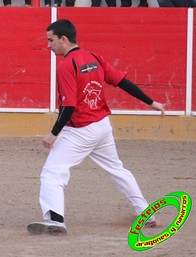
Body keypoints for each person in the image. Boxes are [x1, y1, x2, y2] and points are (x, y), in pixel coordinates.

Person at [27, 19, 165, 235]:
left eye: (50, 40)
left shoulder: (66, 66)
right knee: (117, 170)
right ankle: (146, 212)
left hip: (80, 130)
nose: (48, 45)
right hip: (102, 127)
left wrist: (53, 134)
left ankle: (55, 220)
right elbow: (123, 82)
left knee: (52, 173)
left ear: (63, 39)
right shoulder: (94, 58)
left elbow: (69, 105)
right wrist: (151, 102)